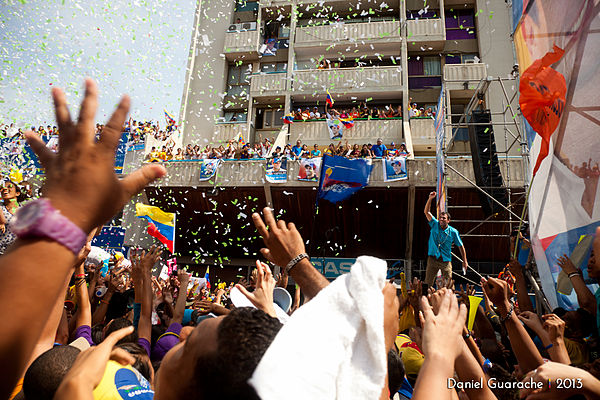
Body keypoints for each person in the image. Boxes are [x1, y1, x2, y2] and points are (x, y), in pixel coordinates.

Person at [423, 191, 469, 285]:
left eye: (443, 218)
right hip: (432, 259)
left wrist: (465, 261)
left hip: (445, 260)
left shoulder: (453, 232)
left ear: (448, 220)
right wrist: (430, 198)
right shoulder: (435, 224)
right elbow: (426, 212)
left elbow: (461, 246)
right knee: (427, 283)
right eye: (440, 217)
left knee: (449, 284)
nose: (441, 219)